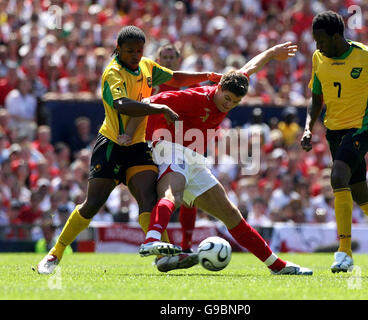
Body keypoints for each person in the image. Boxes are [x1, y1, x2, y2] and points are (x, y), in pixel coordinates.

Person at [36, 25, 221, 275]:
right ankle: (55, 253)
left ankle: (162, 256)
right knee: (92, 204)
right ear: (118, 49)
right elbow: (123, 105)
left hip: (137, 146)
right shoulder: (112, 73)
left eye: (139, 50)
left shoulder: (146, 66)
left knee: (149, 198)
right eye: (130, 51)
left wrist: (208, 75)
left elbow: (175, 78)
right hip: (111, 146)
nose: (135, 55)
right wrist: (158, 109)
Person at [120, 42, 312, 275]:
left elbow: (249, 67)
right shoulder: (194, 97)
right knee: (174, 194)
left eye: (235, 102)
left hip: (195, 159)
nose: (228, 104)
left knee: (231, 214)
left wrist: (271, 53)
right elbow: (145, 104)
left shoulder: (232, 83)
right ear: (219, 87)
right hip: (168, 147)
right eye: (227, 98)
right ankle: (151, 240)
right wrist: (128, 134)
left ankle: (277, 266)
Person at [300, 11, 368, 273]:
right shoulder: (319, 58)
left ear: (337, 36)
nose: (318, 47)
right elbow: (316, 98)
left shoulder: (367, 56)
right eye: (316, 41)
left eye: (322, 41)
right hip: (334, 132)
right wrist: (307, 128)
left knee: (338, 176)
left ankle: (344, 252)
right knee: (360, 193)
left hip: (361, 130)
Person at [153, 43, 199, 253]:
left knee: (189, 198)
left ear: (179, 61)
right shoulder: (149, 87)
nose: (169, 60)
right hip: (154, 147)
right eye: (165, 57)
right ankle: (162, 243)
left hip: (181, 146)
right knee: (159, 198)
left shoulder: (188, 89)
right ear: (158, 61)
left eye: (172, 57)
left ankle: (186, 247)